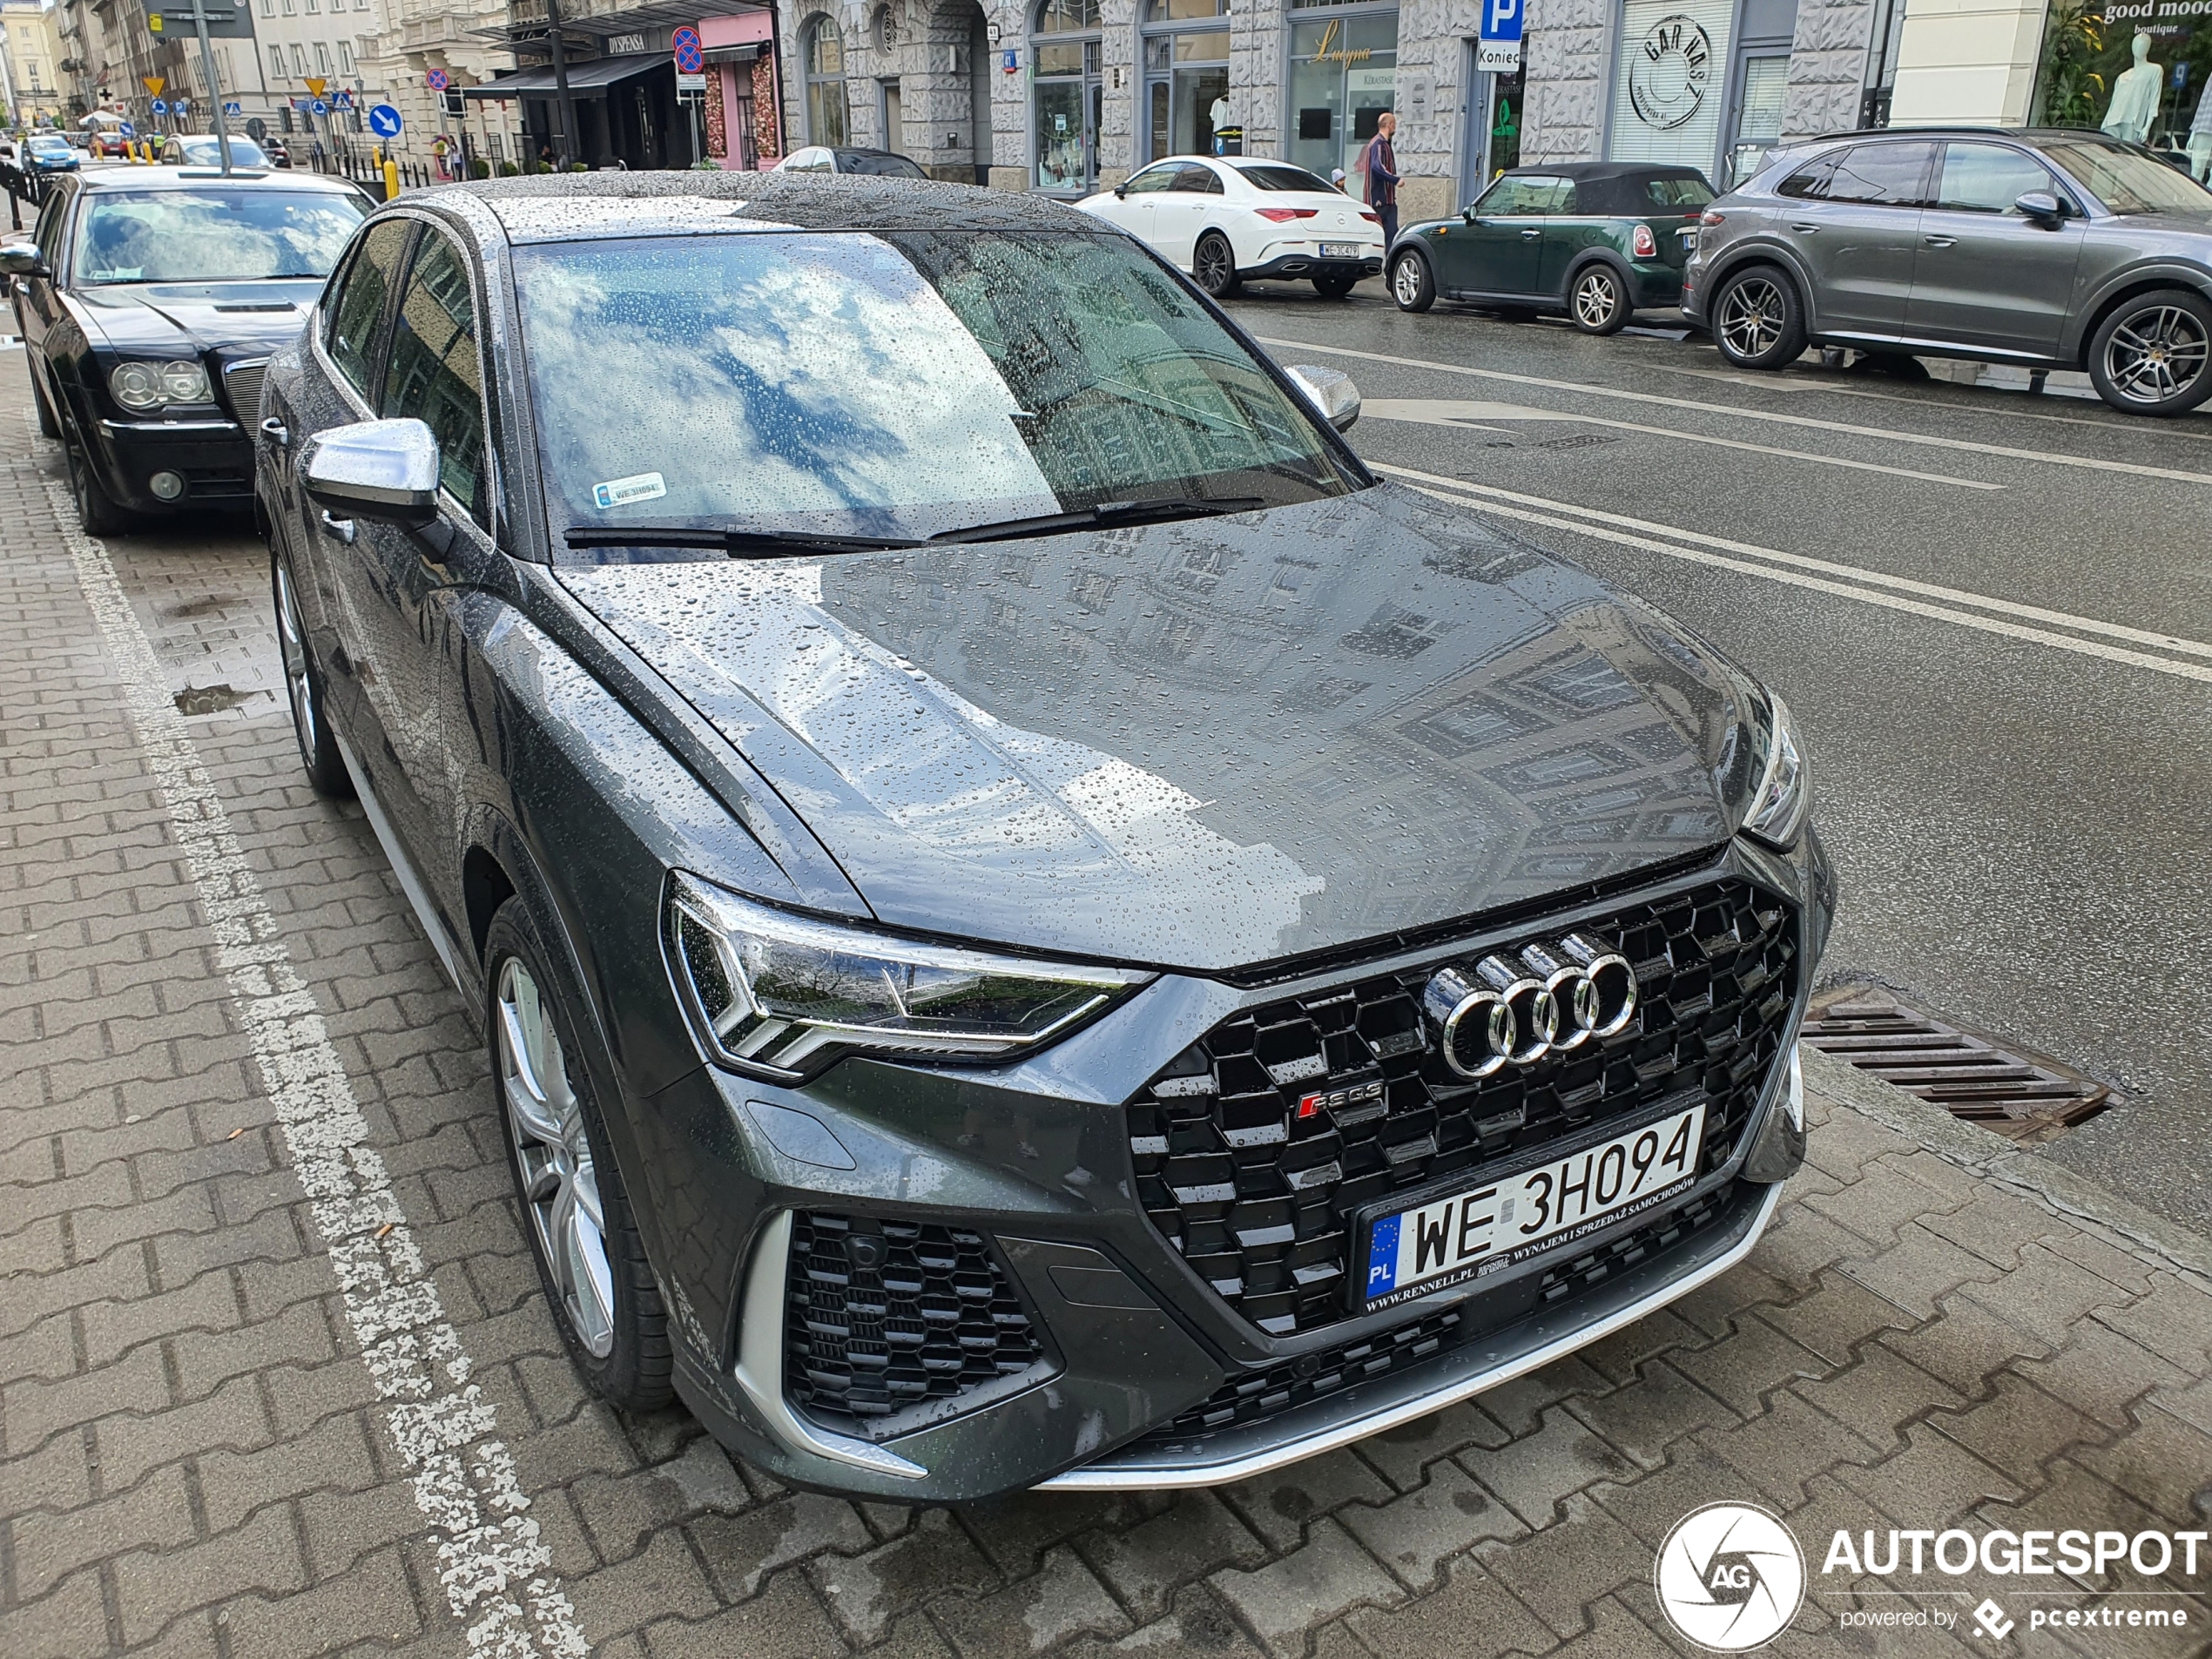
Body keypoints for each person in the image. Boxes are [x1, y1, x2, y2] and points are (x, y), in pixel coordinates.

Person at [1359, 110, 1400, 245]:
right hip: (1379, 200)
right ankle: (1387, 263)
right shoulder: (1379, 144)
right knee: (1387, 235)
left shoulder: (1381, 144)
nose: (1395, 127)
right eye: (1394, 124)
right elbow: (1378, 168)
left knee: (1389, 235)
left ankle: (1388, 262)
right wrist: (1396, 180)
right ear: (1389, 125)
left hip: (1384, 200)